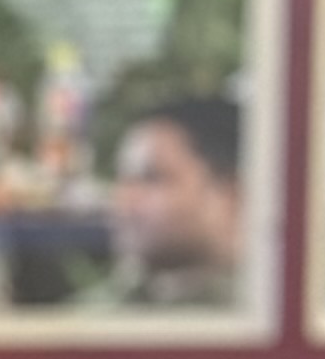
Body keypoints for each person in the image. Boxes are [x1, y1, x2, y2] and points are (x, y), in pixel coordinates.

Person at [105, 91, 244, 308]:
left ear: (231, 194)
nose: (124, 201)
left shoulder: (266, 308)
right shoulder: (109, 306)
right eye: (123, 180)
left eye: (151, 179)